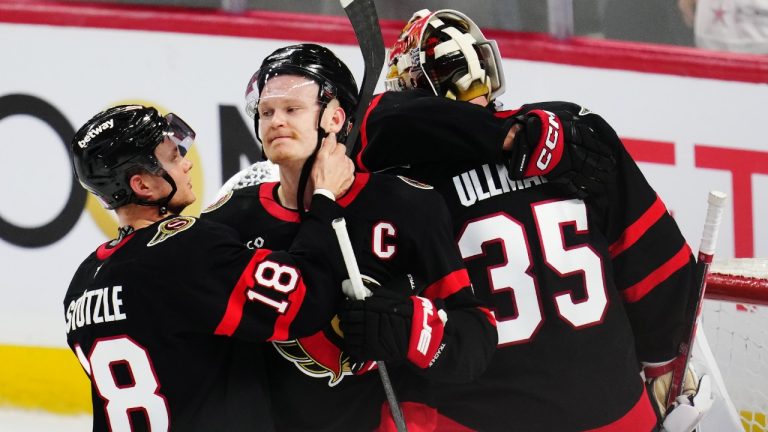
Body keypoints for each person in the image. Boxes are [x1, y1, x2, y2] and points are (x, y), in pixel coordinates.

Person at [353, 8, 713, 431]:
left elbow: (372, 123)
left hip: (476, 415)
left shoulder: (395, 185)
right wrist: (663, 359)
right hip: (616, 416)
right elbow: (658, 264)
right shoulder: (571, 132)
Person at [201, 44, 497, 431]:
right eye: (266, 111)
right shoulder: (230, 221)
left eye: (292, 109)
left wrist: (412, 327)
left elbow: (474, 340)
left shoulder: (407, 204)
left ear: (336, 117)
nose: (275, 121)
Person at [64, 104, 354, 431]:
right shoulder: (186, 248)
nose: (186, 164)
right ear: (141, 185)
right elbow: (305, 300)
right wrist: (325, 197)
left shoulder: (83, 282)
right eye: (172, 159)